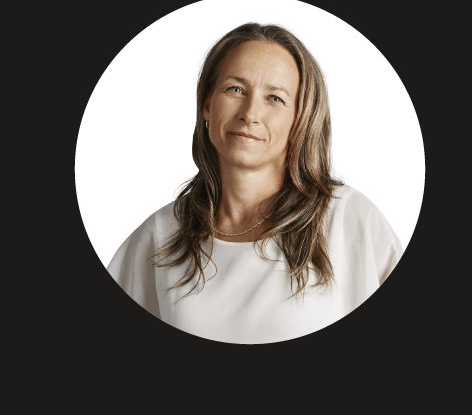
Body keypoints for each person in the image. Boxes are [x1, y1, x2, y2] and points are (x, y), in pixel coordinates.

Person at [107, 23, 403, 344]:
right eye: (235, 89)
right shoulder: (158, 237)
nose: (250, 114)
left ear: (299, 119)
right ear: (207, 103)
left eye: (275, 98)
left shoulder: (351, 220)